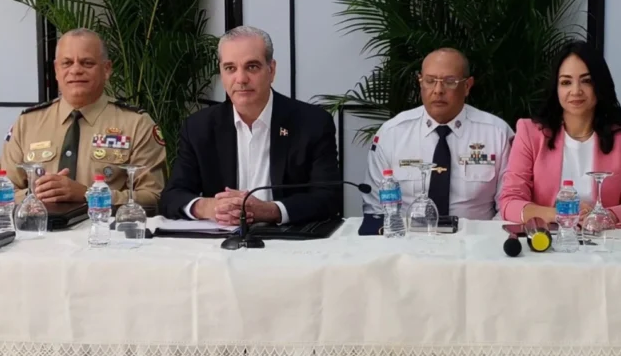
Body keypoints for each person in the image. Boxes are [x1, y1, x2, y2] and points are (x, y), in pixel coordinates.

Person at [159, 25, 341, 225]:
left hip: (287, 237)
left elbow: (329, 198)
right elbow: (172, 197)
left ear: (271, 70)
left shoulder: (312, 123)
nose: (241, 79)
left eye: (252, 67)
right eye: (230, 68)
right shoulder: (199, 127)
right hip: (221, 238)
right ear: (221, 73)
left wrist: (270, 210)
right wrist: (210, 207)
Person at [0, 28, 166, 212]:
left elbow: (153, 196)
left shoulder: (136, 124)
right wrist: (36, 196)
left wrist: (90, 195)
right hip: (40, 227)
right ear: (56, 70)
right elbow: (2, 190)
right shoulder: (27, 123)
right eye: (67, 63)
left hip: (105, 227)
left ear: (106, 69)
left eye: (87, 63)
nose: (76, 70)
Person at [360, 48, 514, 234]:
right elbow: (376, 207)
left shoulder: (497, 133)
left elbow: (508, 204)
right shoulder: (392, 133)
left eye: (449, 82)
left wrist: (483, 240)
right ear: (420, 82)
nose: (438, 90)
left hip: (475, 241)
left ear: (467, 86)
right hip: (407, 241)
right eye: (430, 81)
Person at [500, 41, 621, 224]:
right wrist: (562, 214)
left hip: (606, 238)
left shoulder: (618, 136)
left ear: (600, 84)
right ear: (556, 88)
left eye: (586, 81)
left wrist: (606, 216)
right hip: (548, 238)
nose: (576, 91)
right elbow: (510, 202)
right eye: (566, 82)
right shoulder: (530, 133)